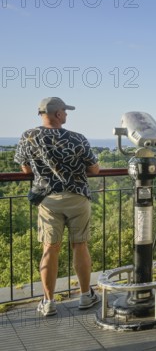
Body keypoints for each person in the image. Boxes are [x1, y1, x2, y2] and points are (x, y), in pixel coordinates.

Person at [14, 97, 101, 316]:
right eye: (65, 111)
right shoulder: (76, 138)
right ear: (58, 114)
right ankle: (84, 296)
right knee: (80, 245)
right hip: (77, 197)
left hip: (48, 199)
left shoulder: (28, 137)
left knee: (50, 248)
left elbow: (25, 170)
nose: (67, 115)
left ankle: (48, 301)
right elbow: (95, 169)